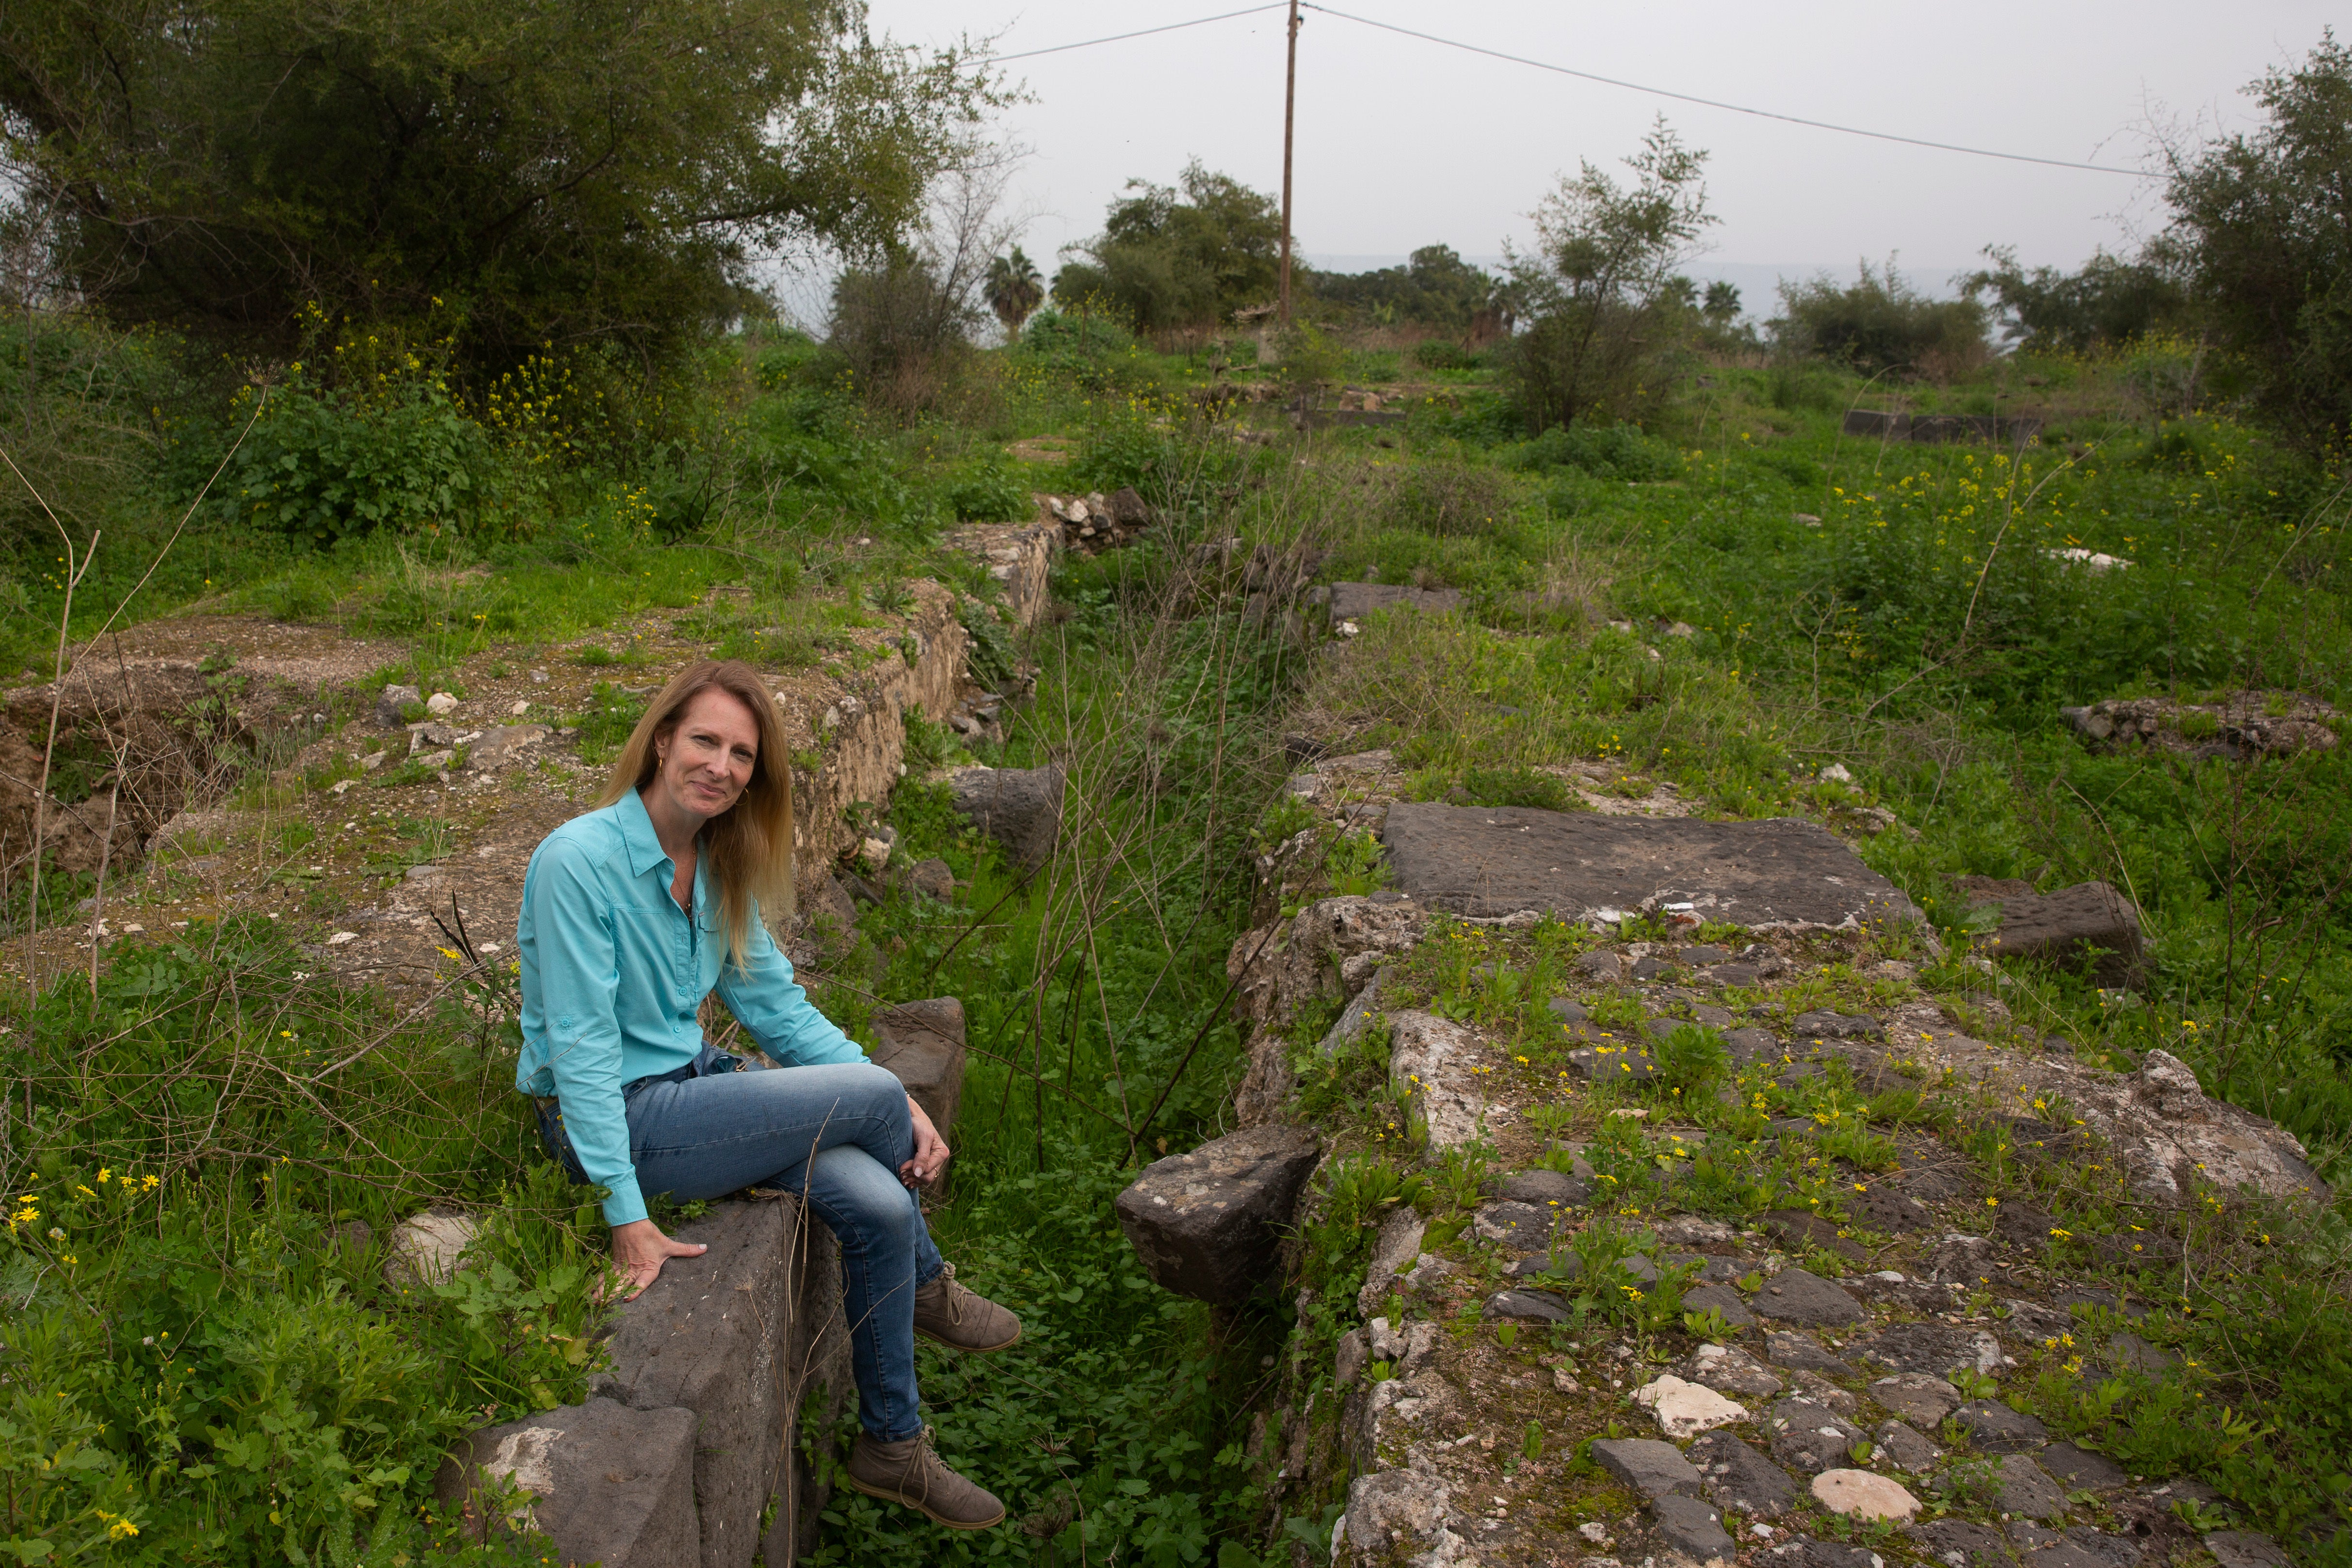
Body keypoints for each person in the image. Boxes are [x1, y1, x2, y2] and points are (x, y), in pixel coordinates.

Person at [516, 658, 1015, 1530]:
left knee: (881, 1209)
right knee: (873, 1098)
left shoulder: (717, 858)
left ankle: (890, 1446)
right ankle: (927, 1290)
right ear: (662, 738)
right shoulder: (578, 860)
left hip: (691, 1088)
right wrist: (624, 1214)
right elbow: (585, 1055)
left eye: (742, 754)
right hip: (613, 1121)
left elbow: (776, 1006)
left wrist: (884, 1096)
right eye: (704, 739)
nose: (721, 765)